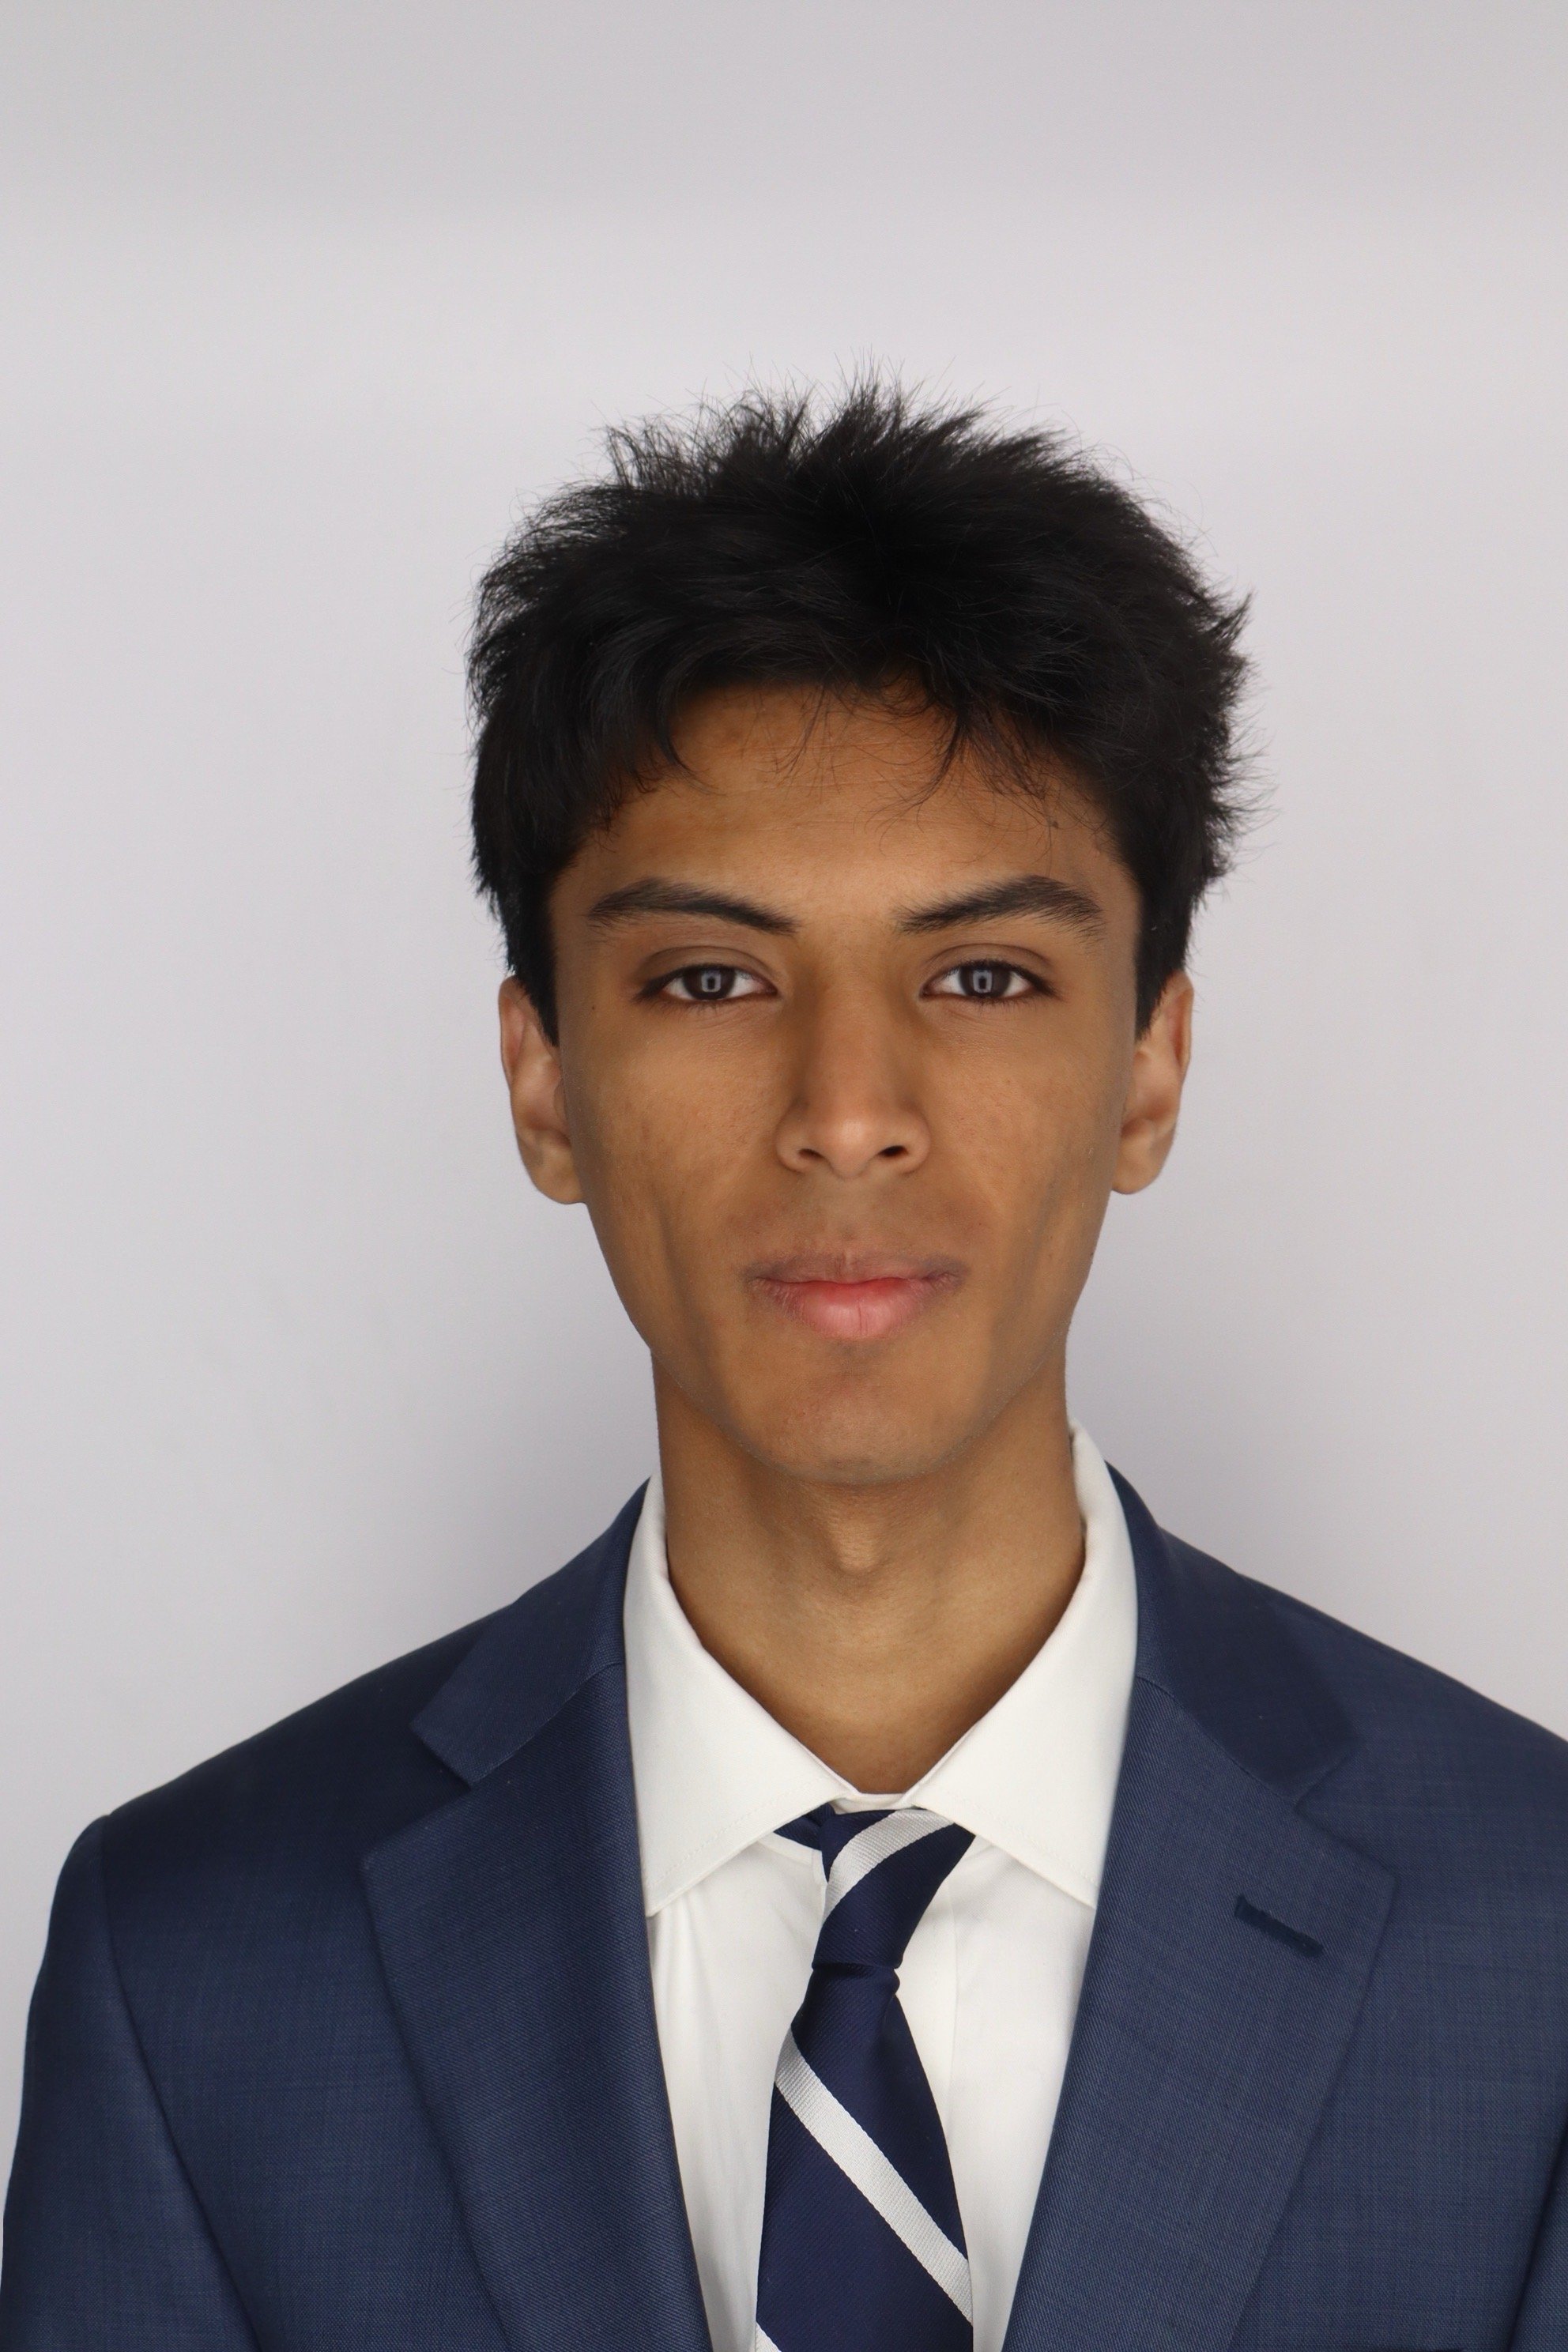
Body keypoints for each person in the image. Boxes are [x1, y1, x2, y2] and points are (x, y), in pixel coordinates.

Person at [3, 383, 1566, 2352]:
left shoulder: (1531, 1938)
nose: (844, 1111)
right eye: (710, 978)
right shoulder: (199, 1963)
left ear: (1147, 1070)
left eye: (981, 976)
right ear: (543, 1081)